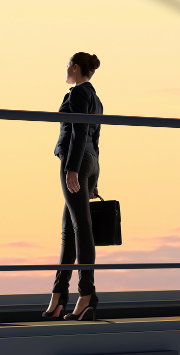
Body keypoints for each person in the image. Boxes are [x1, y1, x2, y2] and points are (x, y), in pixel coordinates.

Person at [42, 52, 103, 321]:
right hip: (91, 162)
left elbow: (78, 132)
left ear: (76, 67)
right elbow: (96, 140)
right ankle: (58, 297)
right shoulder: (97, 100)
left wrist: (72, 169)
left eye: (68, 64)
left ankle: (86, 294)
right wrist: (94, 179)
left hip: (75, 159)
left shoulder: (78, 93)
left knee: (81, 228)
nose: (66, 69)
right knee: (70, 231)